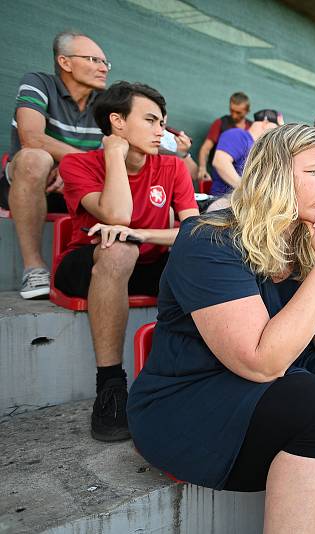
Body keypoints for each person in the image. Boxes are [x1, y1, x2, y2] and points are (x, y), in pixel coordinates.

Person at [128, 124, 315, 533]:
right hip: (188, 398)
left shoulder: (301, 237)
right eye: (314, 173)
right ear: (274, 176)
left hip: (275, 375)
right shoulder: (211, 239)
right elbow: (262, 363)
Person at [55, 82, 199, 441]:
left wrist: (145, 235)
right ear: (117, 121)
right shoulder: (77, 164)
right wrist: (114, 156)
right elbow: (117, 215)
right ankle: (111, 387)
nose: (160, 130)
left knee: (207, 255)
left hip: (147, 261)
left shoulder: (172, 167)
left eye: (162, 122)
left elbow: (193, 230)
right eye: (150, 120)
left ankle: (191, 377)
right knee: (119, 249)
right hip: (89, 263)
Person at [2, 31, 108, 299]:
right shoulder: (37, 82)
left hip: (75, 191)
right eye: (94, 59)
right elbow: (32, 137)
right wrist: (76, 163)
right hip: (32, 184)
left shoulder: (104, 104)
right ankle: (34, 268)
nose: (103, 68)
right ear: (65, 62)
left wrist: (72, 171)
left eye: (105, 63)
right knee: (34, 158)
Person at [210, 109, 282, 196]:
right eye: (277, 127)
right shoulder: (238, 135)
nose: (278, 132)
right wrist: (245, 190)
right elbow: (220, 162)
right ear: (265, 122)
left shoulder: (261, 149)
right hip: (224, 200)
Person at [197, 92, 251, 182]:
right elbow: (205, 149)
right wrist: (202, 169)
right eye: (231, 110)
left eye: (238, 112)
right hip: (220, 176)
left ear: (247, 111)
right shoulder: (221, 123)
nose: (234, 115)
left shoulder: (252, 128)